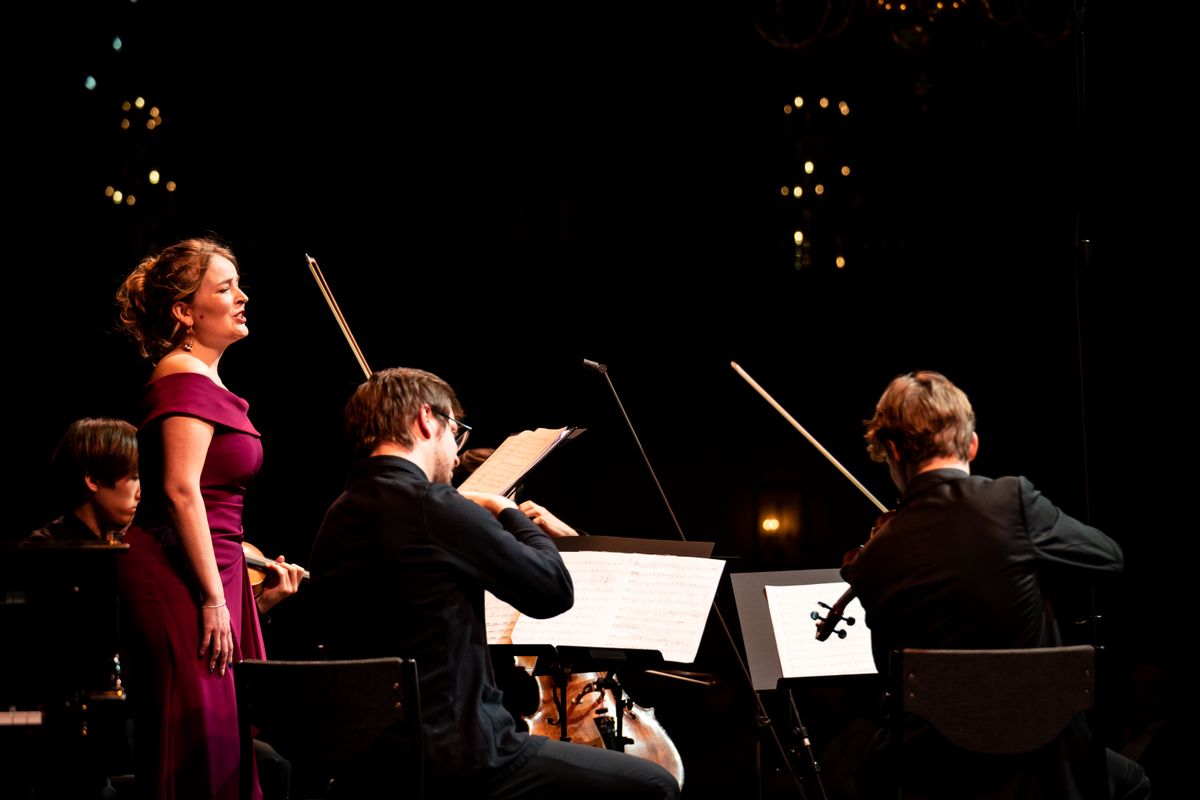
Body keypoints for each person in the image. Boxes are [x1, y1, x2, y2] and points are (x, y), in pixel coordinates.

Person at [309, 367, 679, 799]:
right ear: (427, 419)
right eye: (456, 432)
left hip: (376, 764)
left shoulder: (336, 516)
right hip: (465, 756)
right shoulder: (434, 506)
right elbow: (553, 591)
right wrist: (507, 511)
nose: (455, 451)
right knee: (656, 784)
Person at [842, 370, 1148, 798]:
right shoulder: (1012, 502)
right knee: (1133, 784)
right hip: (1039, 748)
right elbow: (1108, 557)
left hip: (931, 763)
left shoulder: (875, 555)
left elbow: (890, 673)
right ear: (971, 445)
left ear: (891, 450)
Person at [114, 236, 273, 800]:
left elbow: (210, 497)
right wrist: (211, 598)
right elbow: (181, 492)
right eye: (225, 288)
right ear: (185, 312)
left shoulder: (203, 377)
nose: (242, 297)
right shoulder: (182, 376)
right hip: (177, 577)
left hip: (213, 571)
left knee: (222, 740)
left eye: (238, 285)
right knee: (197, 743)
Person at [27, 417, 141, 543]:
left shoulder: (134, 541)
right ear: (93, 480)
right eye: (135, 478)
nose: (141, 494)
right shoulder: (43, 547)